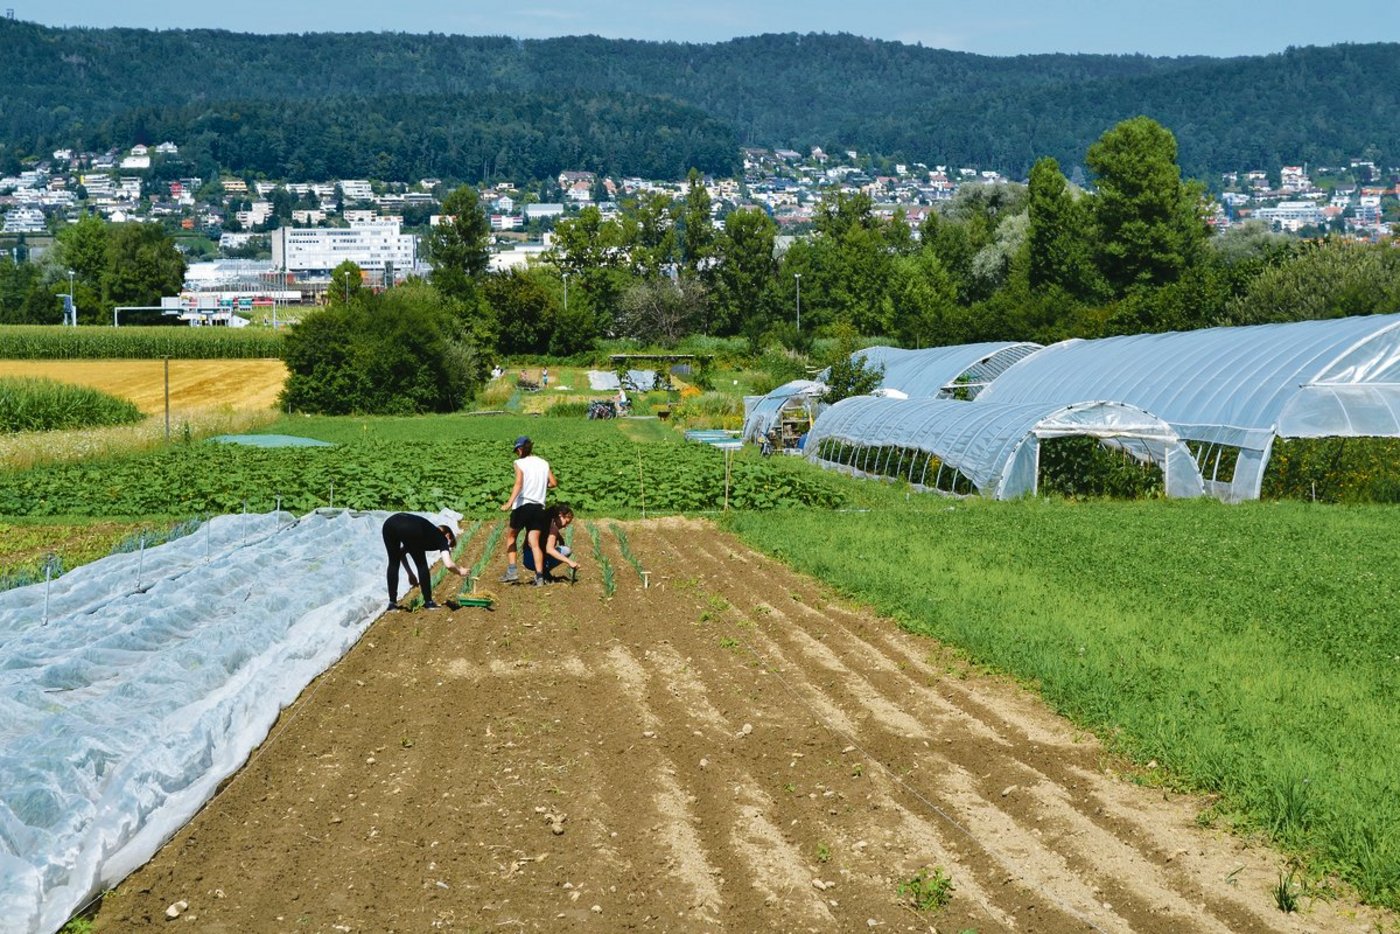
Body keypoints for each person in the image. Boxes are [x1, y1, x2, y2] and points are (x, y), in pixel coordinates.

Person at [499, 436, 556, 586]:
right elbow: (553, 483)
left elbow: (518, 484)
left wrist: (509, 503)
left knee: (511, 537)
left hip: (523, 506)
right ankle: (539, 577)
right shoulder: (543, 463)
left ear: (519, 449)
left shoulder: (519, 463)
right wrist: (540, 486)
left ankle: (512, 572)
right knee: (534, 542)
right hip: (539, 508)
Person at [382, 512, 466, 611]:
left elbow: (401, 554)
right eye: (450, 542)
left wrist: (410, 574)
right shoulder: (441, 537)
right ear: (448, 535)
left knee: (393, 562)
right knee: (421, 565)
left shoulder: (428, 532)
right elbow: (448, 564)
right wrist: (460, 571)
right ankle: (429, 602)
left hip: (389, 524)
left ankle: (392, 603)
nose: (448, 545)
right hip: (411, 527)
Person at [521, 503, 580, 580]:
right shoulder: (553, 529)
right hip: (532, 560)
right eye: (566, 522)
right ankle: (542, 572)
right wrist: (569, 562)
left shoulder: (544, 520)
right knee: (566, 550)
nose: (565, 526)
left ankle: (542, 572)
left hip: (527, 557)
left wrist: (559, 536)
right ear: (560, 515)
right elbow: (550, 550)